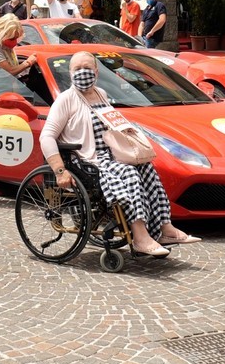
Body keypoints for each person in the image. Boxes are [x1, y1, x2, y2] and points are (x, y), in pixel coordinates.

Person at [40, 51, 199, 257]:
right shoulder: (66, 100)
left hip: (111, 155)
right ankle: (140, 236)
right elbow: (47, 137)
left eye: (87, 68)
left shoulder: (101, 94)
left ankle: (165, 227)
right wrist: (60, 171)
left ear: (96, 71)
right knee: (129, 173)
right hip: (87, 160)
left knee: (147, 168)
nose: (83, 72)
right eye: (77, 69)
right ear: (70, 73)